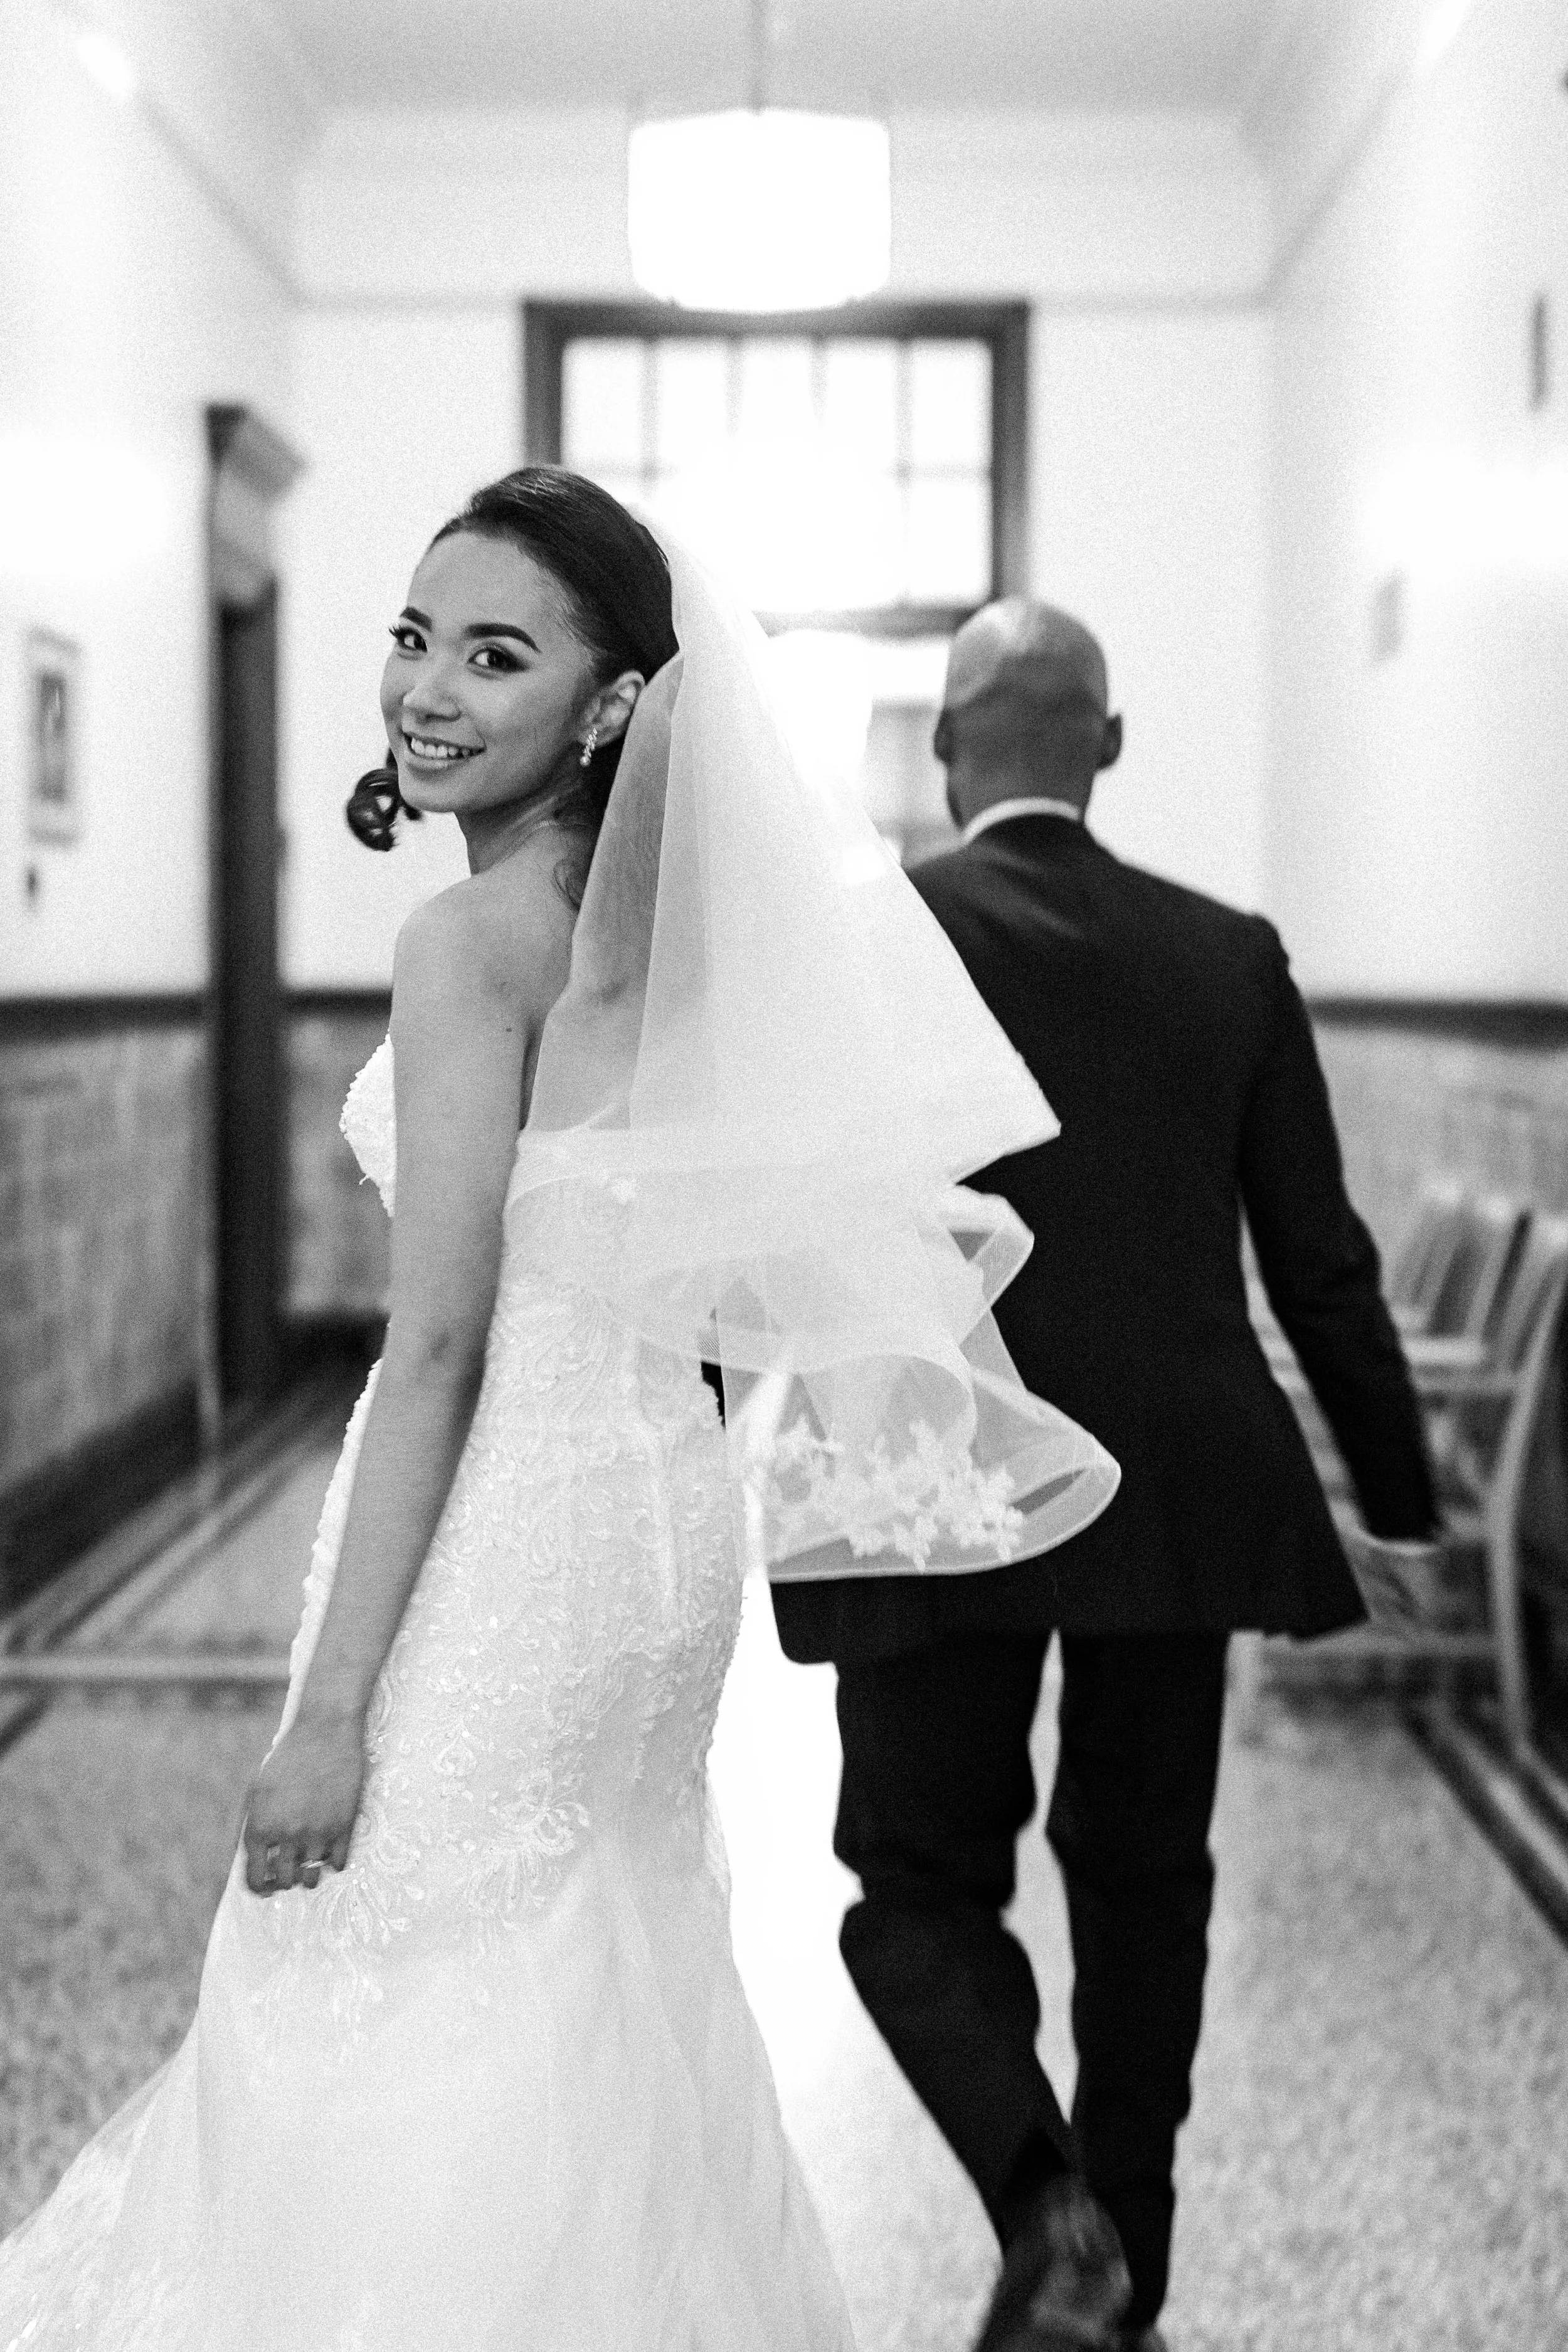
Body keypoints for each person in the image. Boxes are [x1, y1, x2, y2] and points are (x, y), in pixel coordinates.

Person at [0, 482, 1118, 2351]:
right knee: (592, 1967)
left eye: (496, 653)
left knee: (381, 1967)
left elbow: (436, 1344)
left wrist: (331, 1710)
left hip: (508, 1527)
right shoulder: (652, 940)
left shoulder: (472, 946)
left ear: (612, 707)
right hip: (650, 1522)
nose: (426, 687)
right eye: (413, 634)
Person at [770, 598, 1441, 2352]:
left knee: (915, 1883)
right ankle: (1125, 2256)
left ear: (941, 751)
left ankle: (1038, 2203)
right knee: (1146, 1872)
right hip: (1176, 1485)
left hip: (933, 1467)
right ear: (1112, 747)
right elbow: (1319, 1255)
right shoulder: (1225, 954)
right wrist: (1397, 1490)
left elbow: (777, 1226)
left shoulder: (865, 939)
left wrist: (691, 1429)